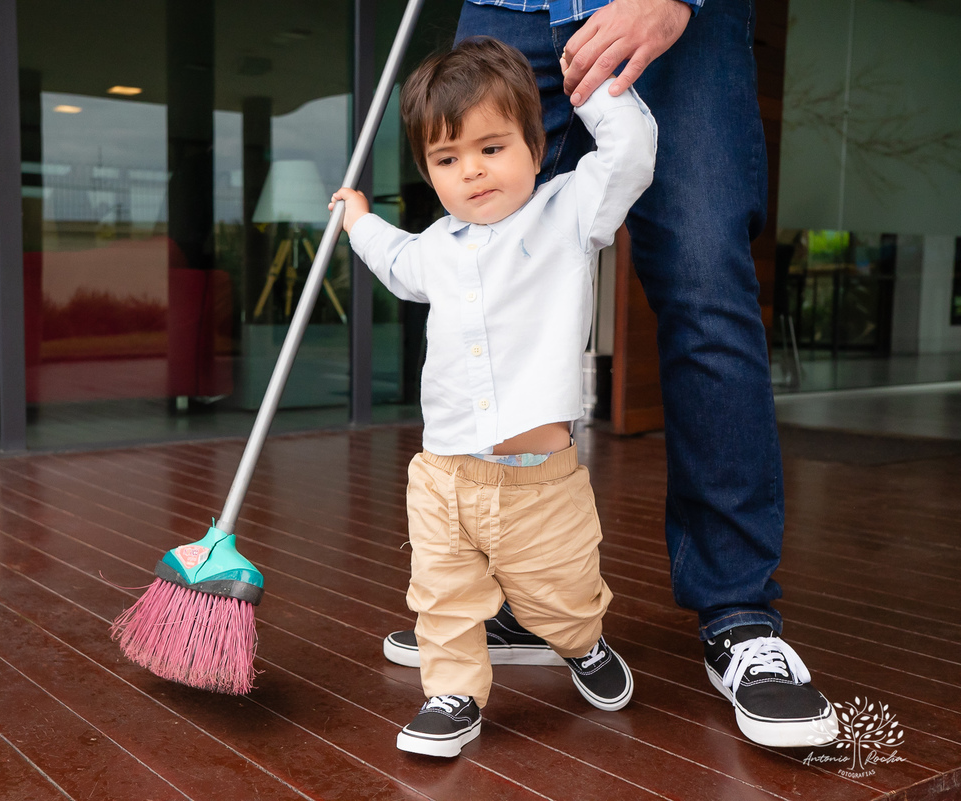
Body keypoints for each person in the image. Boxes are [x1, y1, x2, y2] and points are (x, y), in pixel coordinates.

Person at [378, 0, 840, 749]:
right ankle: (519, 604)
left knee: (705, 289)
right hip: (512, 11)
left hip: (673, 17)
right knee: (479, 254)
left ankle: (739, 612)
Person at [332, 36, 655, 758]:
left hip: (538, 484)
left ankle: (582, 641)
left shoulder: (569, 214)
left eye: (491, 147)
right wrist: (356, 218)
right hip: (443, 476)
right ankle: (452, 694)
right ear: (429, 174)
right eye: (447, 160)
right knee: (442, 597)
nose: (471, 171)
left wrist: (591, 86)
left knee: (562, 596)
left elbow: (630, 151)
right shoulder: (436, 250)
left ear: (535, 149)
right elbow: (391, 259)